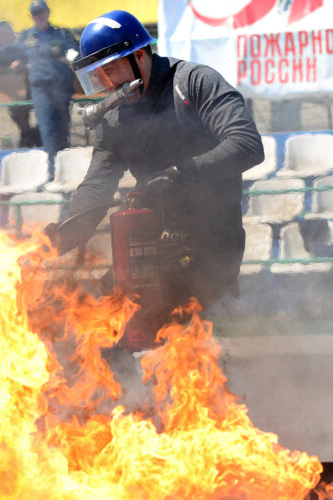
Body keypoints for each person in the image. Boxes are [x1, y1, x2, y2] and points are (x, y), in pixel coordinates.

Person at [46, 10, 264, 327]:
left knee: (157, 332)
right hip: (151, 243)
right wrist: (56, 241)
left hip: (212, 246)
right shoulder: (114, 119)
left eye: (111, 70)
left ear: (139, 55)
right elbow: (96, 187)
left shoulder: (194, 82)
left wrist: (180, 175)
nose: (108, 85)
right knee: (98, 325)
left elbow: (247, 143)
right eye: (98, 77)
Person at [13, 0, 79, 180]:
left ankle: (66, 173)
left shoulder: (61, 33)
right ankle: (52, 174)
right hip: (41, 89)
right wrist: (12, 61)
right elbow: (15, 52)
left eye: (41, 12)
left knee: (63, 129)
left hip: (61, 88)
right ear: (31, 16)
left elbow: (76, 50)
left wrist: (69, 58)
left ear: (48, 12)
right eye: (35, 13)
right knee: (47, 130)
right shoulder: (26, 37)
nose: (39, 16)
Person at [0, 21, 42, 148]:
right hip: (14, 93)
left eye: (5, 33)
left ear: (11, 34)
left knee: (43, 109)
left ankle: (35, 134)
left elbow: (19, 52)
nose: (2, 36)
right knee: (17, 110)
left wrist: (20, 65)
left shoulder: (19, 46)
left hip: (35, 87)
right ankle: (29, 134)